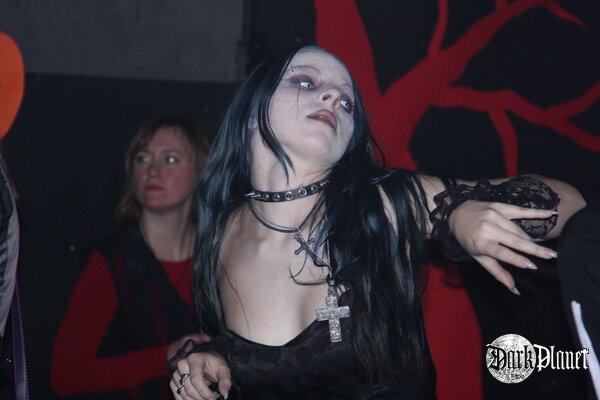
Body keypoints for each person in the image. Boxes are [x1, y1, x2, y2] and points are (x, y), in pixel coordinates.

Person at [168, 45, 587, 400]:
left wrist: (456, 212)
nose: (333, 97)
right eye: (306, 82)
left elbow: (569, 203)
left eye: (346, 102)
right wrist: (211, 359)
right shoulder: (221, 234)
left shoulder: (384, 205)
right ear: (250, 112)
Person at [52, 116, 210, 399]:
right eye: (143, 159)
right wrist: (165, 355)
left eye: (171, 159)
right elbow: (65, 376)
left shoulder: (218, 257)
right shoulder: (111, 262)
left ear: (201, 170)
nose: (153, 171)